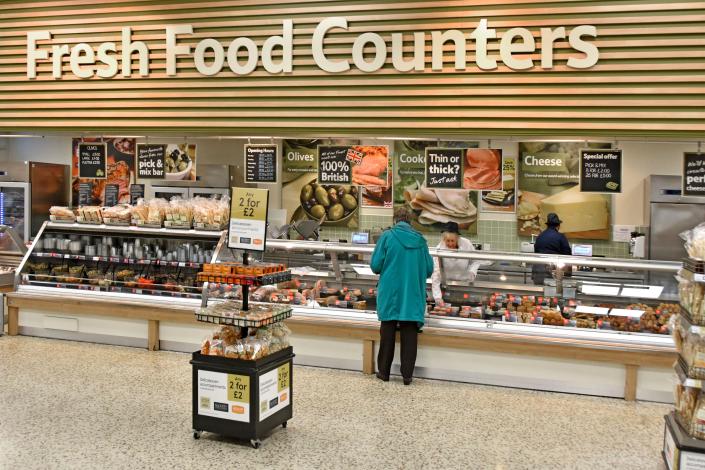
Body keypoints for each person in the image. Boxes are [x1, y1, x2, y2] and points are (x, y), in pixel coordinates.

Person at [370, 207, 434, 385]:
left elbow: (375, 266)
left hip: (390, 292)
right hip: (412, 292)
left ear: (395, 220)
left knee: (388, 331)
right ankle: (407, 376)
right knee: (409, 332)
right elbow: (429, 269)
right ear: (410, 221)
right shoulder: (421, 241)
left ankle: (384, 372)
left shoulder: (387, 237)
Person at [431, 222, 489, 306]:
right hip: (447, 286)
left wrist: (472, 272)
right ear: (443, 239)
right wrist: (437, 297)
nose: (450, 244)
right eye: (448, 241)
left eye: (452, 241)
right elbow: (436, 273)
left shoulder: (466, 244)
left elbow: (475, 260)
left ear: (458, 238)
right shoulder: (439, 249)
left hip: (465, 285)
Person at [532, 212, 572, 285]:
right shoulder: (560, 237)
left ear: (547, 225)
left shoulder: (540, 236)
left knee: (540, 294)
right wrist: (568, 273)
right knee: (552, 294)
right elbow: (567, 255)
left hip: (538, 271)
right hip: (552, 271)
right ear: (558, 226)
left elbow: (536, 252)